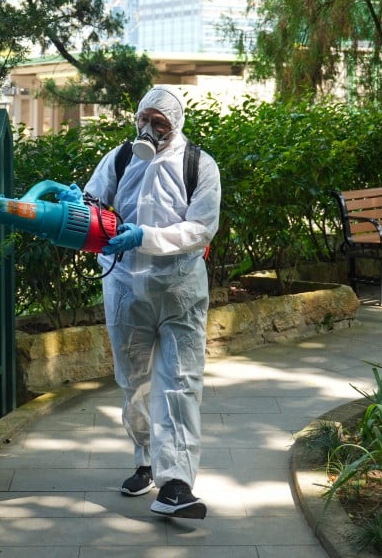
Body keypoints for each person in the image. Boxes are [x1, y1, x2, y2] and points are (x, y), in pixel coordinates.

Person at [59, 84, 221, 519]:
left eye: (160, 124)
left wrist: (146, 237)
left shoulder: (198, 164)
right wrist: (77, 206)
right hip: (126, 289)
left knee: (181, 383)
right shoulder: (120, 158)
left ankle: (176, 484)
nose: (149, 130)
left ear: (176, 124)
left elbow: (200, 229)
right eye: (144, 120)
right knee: (134, 383)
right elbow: (94, 205)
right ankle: (146, 460)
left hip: (179, 292)